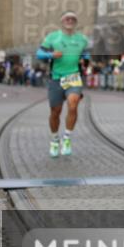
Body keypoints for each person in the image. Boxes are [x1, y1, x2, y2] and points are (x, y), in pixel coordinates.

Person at [36, 11, 91, 157]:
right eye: (67, 18)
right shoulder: (52, 37)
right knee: (55, 112)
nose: (70, 20)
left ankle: (67, 138)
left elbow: (86, 54)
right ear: (62, 21)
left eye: (73, 18)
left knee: (73, 105)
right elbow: (39, 54)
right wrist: (51, 55)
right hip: (56, 78)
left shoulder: (82, 39)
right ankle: (55, 140)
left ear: (76, 22)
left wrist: (84, 60)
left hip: (74, 77)